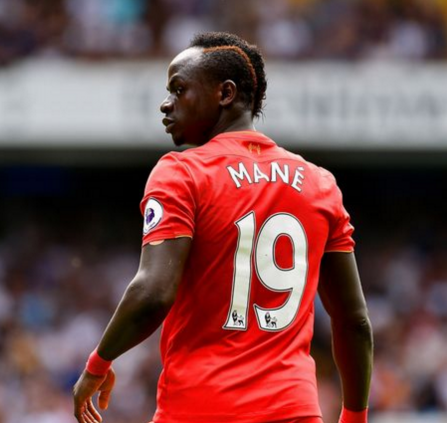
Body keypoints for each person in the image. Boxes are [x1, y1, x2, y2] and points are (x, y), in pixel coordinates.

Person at [72, 32, 373, 423]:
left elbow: (153, 293)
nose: (166, 104)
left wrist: (98, 364)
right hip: (293, 411)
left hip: (200, 409)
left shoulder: (181, 173)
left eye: (179, 89)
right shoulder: (320, 184)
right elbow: (354, 321)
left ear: (225, 93)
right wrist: (355, 416)